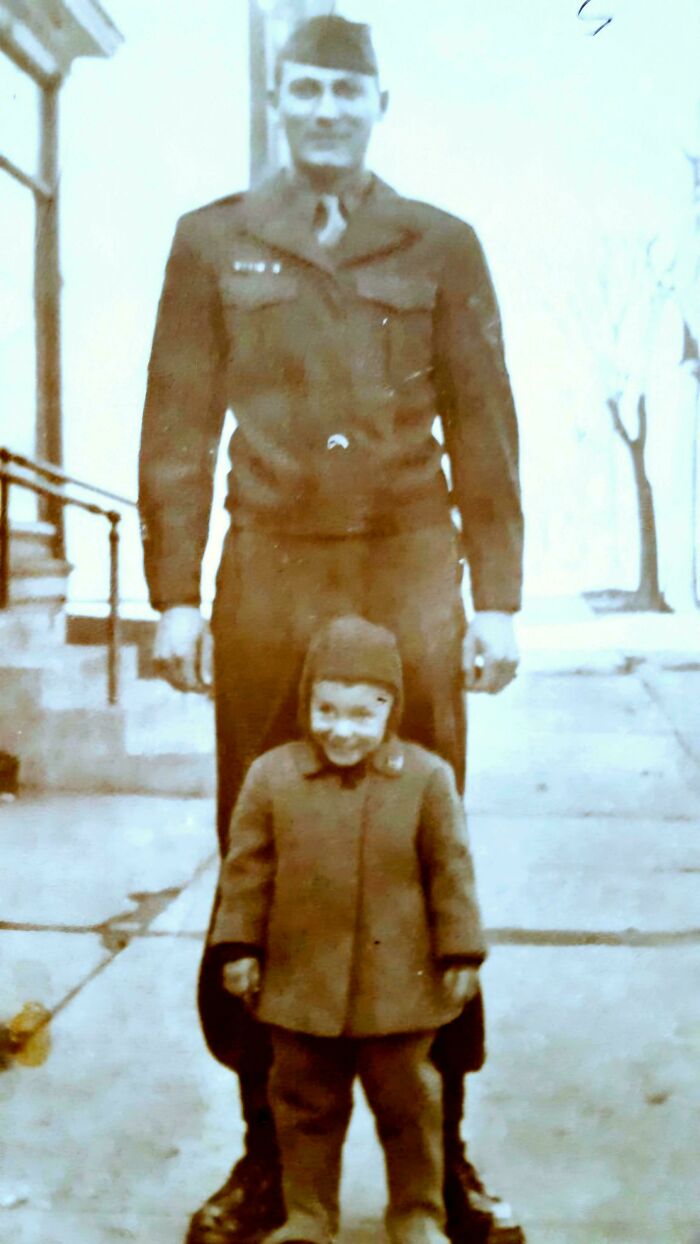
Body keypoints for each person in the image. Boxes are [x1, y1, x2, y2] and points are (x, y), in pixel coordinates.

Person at [138, 15, 525, 1244]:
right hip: (268, 582)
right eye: (301, 89)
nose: (322, 111)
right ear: (277, 99)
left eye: (343, 93)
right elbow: (177, 424)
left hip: (410, 572)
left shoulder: (442, 245)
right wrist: (171, 593)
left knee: (420, 854)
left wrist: (499, 597)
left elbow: (485, 421)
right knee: (264, 851)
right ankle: (265, 1159)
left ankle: (441, 1157)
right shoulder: (212, 241)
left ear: (376, 105)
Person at [212, 615, 487, 1244]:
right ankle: (307, 1214)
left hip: (399, 989)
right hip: (299, 984)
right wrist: (239, 945)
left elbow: (451, 870)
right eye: (326, 708)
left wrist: (459, 952)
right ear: (307, 700)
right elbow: (246, 869)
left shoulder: (426, 779)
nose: (342, 729)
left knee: (409, 1107)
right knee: (304, 1107)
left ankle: (417, 1212)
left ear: (393, 710)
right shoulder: (272, 777)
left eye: (364, 713)